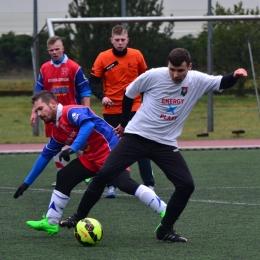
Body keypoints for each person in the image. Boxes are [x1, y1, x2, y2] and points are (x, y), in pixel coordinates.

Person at [60, 48, 247, 242]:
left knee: (186, 185)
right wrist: (124, 123)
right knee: (104, 174)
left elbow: (221, 82)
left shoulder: (197, 80)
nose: (175, 74)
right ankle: (78, 217)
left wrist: (235, 75)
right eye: (172, 69)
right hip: (136, 137)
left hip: (165, 144)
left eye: (180, 71)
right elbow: (129, 93)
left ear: (188, 67)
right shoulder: (153, 75)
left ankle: (165, 230)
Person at [14, 90, 167, 235]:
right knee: (64, 176)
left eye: (40, 109)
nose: (39, 114)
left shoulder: (70, 111)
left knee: (124, 183)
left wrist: (73, 148)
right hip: (92, 156)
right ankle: (51, 222)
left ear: (53, 104)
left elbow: (88, 125)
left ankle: (166, 210)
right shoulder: (56, 131)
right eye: (36, 111)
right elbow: (45, 156)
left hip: (111, 150)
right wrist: (26, 183)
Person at [89, 24, 155, 198]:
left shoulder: (137, 55)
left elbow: (146, 79)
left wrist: (148, 102)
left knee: (141, 146)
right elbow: (93, 82)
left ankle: (149, 184)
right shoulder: (103, 57)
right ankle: (112, 184)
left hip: (135, 108)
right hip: (111, 110)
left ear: (127, 40)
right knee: (112, 148)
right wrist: (102, 96)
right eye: (116, 40)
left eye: (122, 40)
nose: (120, 43)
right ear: (112, 40)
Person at [30, 35, 91, 187]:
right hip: (51, 116)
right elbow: (39, 93)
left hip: (72, 116)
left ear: (63, 49)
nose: (55, 52)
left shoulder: (74, 67)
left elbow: (85, 90)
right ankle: (62, 175)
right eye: (51, 50)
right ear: (48, 51)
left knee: (80, 144)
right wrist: (34, 112)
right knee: (56, 145)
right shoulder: (44, 68)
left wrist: (87, 110)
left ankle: (89, 173)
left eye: (57, 49)